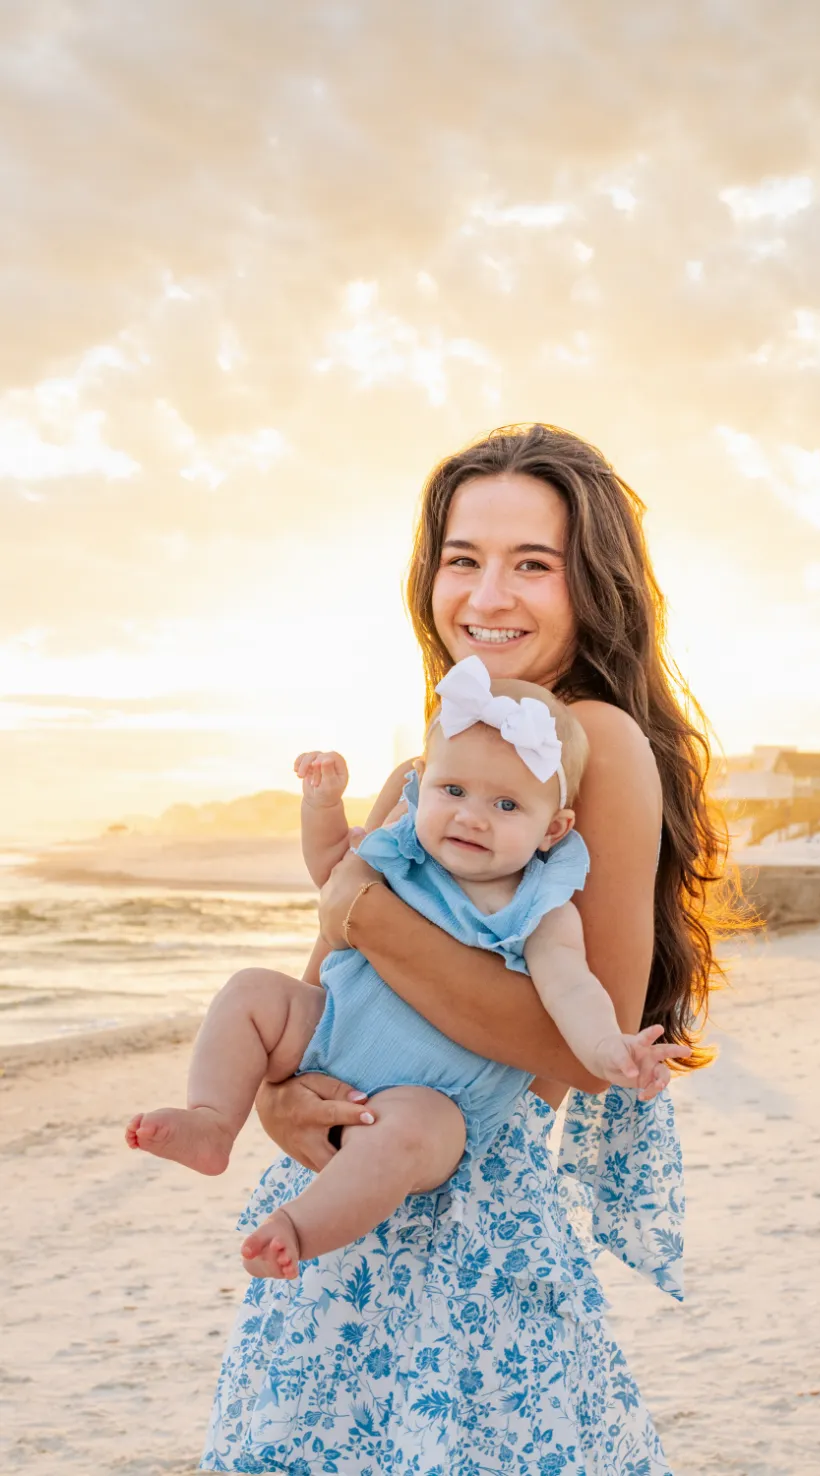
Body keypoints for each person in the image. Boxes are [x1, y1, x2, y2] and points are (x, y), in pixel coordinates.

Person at [201, 423, 731, 1476]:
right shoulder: (427, 772)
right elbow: (327, 1008)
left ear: (593, 585)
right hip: (351, 1228)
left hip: (472, 1238)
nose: (487, 597)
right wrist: (273, 1099)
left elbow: (582, 1048)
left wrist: (366, 908)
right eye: (462, 559)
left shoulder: (594, 746)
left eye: (532, 564)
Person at [126, 660, 683, 1279]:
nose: (471, 816)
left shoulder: (540, 908)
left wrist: (610, 1048)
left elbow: (571, 987)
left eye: (505, 804)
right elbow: (333, 871)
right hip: (334, 1029)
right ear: (427, 786)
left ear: (553, 829)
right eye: (453, 792)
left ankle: (298, 1228)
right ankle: (211, 1121)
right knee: (252, 991)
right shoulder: (402, 845)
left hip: (436, 1098)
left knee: (406, 1135)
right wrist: (324, 804)